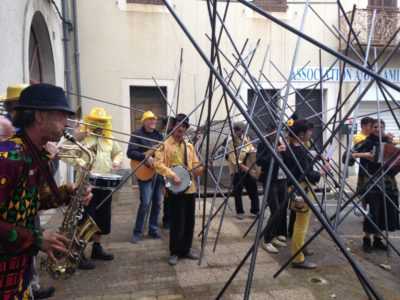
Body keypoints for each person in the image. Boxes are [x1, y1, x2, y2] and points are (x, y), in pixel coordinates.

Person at [0, 83, 92, 299]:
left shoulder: (33, 154)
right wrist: (37, 239)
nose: (67, 123)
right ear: (40, 117)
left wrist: (68, 192)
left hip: (18, 273)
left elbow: (29, 201)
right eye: (62, 116)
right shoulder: (8, 159)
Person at [64, 107, 123, 269]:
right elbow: (65, 152)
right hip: (85, 185)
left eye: (103, 123)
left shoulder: (109, 139)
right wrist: (80, 163)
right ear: (90, 123)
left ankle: (96, 249)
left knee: (102, 218)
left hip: (104, 185)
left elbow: (118, 153)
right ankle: (78, 253)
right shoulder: (81, 138)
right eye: (97, 123)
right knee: (84, 219)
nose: (100, 126)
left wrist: (117, 161)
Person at [154, 113, 205, 266]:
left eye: (184, 126)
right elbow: (158, 164)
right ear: (173, 126)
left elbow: (194, 166)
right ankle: (175, 252)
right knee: (177, 221)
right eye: (178, 125)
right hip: (175, 188)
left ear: (186, 129)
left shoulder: (189, 146)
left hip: (190, 189)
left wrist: (202, 169)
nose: (180, 128)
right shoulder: (165, 144)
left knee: (189, 221)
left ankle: (186, 249)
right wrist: (171, 175)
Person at [284, 119, 330, 269]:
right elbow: (308, 174)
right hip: (300, 189)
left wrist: (323, 157)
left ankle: (300, 247)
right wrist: (322, 171)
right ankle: (297, 259)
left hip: (300, 188)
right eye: (309, 131)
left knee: (301, 223)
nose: (311, 134)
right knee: (301, 225)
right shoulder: (296, 151)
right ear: (302, 134)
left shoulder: (296, 147)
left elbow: (309, 158)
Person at [353, 119, 399, 253]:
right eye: (375, 127)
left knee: (385, 211)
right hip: (370, 183)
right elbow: (347, 156)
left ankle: (378, 239)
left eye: (381, 126)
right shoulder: (365, 142)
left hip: (388, 183)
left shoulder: (390, 143)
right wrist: (364, 155)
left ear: (384, 128)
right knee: (373, 211)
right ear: (370, 128)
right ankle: (366, 239)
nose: (378, 129)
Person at [127, 111, 164, 243]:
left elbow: (165, 151)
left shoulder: (160, 136)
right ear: (144, 121)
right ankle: (137, 232)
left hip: (158, 173)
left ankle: (153, 229)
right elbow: (130, 152)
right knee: (145, 203)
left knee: (158, 203)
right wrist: (144, 157)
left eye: (154, 119)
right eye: (150, 119)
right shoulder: (137, 135)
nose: (153, 121)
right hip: (144, 173)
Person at [256, 123, 288, 253]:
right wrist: (275, 152)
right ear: (269, 131)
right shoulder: (263, 143)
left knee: (281, 209)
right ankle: (267, 240)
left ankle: (274, 235)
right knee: (275, 210)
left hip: (282, 179)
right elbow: (259, 160)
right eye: (275, 130)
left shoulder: (282, 141)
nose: (277, 133)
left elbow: (287, 159)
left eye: (279, 131)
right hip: (270, 181)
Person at [227, 122, 260, 219]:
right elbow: (233, 159)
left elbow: (251, 148)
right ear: (235, 130)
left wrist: (253, 156)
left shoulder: (245, 138)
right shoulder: (231, 142)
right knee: (238, 191)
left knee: (253, 190)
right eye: (241, 130)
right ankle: (240, 211)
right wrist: (245, 168)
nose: (243, 132)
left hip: (248, 167)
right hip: (237, 170)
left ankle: (255, 210)